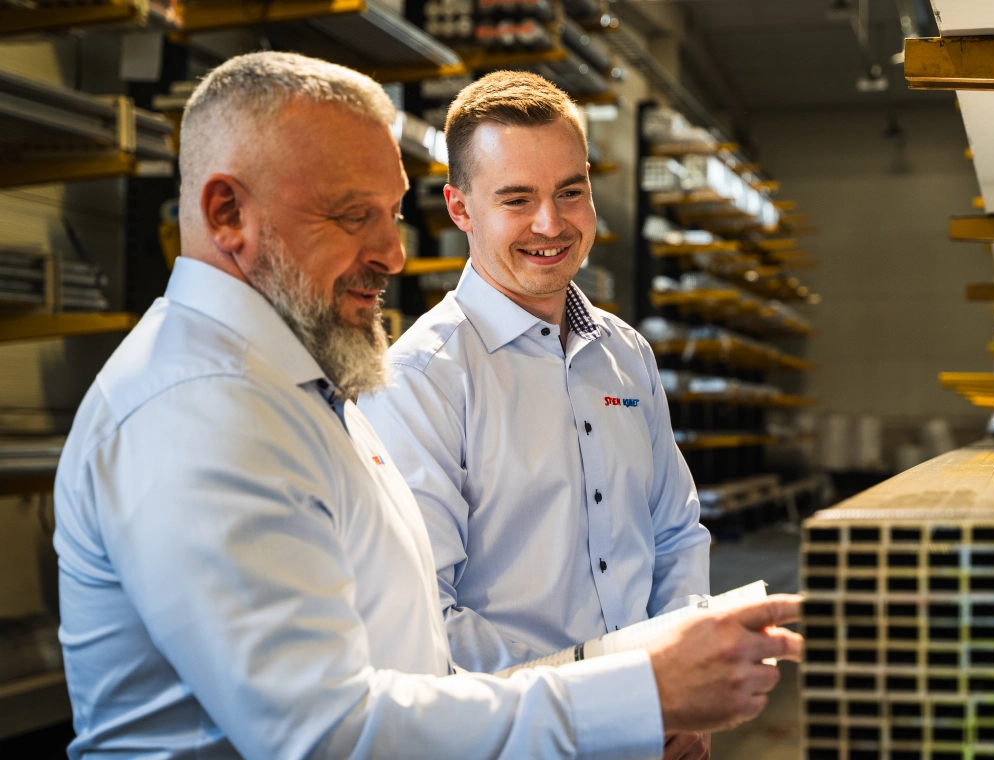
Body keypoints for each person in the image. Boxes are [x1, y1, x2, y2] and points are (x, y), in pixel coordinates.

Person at [52, 51, 802, 759]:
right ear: (226, 214)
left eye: (392, 213)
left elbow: (390, 653)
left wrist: (664, 681)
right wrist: (636, 694)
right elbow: (326, 733)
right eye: (353, 215)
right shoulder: (200, 412)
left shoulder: (294, 388)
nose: (394, 253)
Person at [357, 72, 713, 759]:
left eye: (570, 192)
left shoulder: (626, 355)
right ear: (460, 208)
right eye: (517, 199)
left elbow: (674, 536)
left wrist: (682, 689)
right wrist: (609, 705)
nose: (551, 224)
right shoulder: (421, 381)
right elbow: (424, 618)